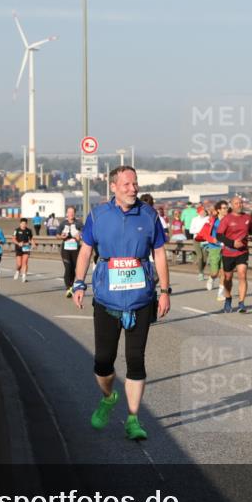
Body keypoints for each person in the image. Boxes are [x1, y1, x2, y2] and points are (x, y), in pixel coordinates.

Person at [72, 165, 170, 441]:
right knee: (103, 361)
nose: (133, 189)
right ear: (113, 187)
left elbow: (159, 253)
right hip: (106, 298)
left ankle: (132, 419)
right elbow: (86, 250)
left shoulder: (149, 215)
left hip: (141, 298)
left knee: (136, 359)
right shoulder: (98, 215)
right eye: (126, 184)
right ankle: (107, 397)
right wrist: (79, 283)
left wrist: (165, 290)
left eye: (135, 184)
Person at [216, 195, 252, 313]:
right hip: (228, 252)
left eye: (241, 203)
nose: (239, 205)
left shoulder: (247, 217)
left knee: (242, 274)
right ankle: (228, 298)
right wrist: (232, 243)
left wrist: (251, 236)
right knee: (228, 278)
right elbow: (219, 235)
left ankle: (241, 303)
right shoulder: (226, 219)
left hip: (242, 251)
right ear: (231, 205)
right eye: (237, 203)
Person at [195, 201, 228, 297]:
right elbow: (204, 234)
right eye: (224, 208)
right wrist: (212, 239)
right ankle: (211, 278)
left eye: (227, 208)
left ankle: (220, 293)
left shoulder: (229, 220)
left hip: (226, 248)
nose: (226, 210)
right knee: (215, 272)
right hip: (214, 248)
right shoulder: (213, 220)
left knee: (224, 271)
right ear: (218, 210)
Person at [58, 206, 84, 296]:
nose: (71, 214)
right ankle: (68, 287)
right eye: (69, 212)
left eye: (72, 212)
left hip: (76, 250)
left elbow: (85, 233)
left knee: (73, 269)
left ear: (74, 214)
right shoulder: (63, 224)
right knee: (68, 268)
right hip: (65, 250)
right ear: (67, 214)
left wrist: (80, 235)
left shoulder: (79, 223)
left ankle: (71, 286)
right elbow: (57, 235)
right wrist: (61, 236)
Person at [189, 205, 211, 281]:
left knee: (205, 259)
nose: (203, 212)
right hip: (197, 240)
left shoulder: (208, 219)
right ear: (198, 212)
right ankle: (200, 273)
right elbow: (191, 230)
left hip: (206, 241)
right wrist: (200, 232)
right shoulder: (194, 219)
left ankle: (201, 271)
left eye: (204, 211)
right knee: (200, 257)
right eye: (201, 211)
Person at [13, 218, 33, 282]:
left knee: (25, 262)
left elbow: (31, 239)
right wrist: (18, 243)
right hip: (18, 248)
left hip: (26, 248)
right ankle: (17, 271)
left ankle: (24, 276)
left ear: (26, 224)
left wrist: (34, 244)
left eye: (25, 224)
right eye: (22, 223)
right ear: (20, 223)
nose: (23, 225)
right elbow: (13, 239)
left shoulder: (29, 230)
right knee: (19, 264)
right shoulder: (16, 230)